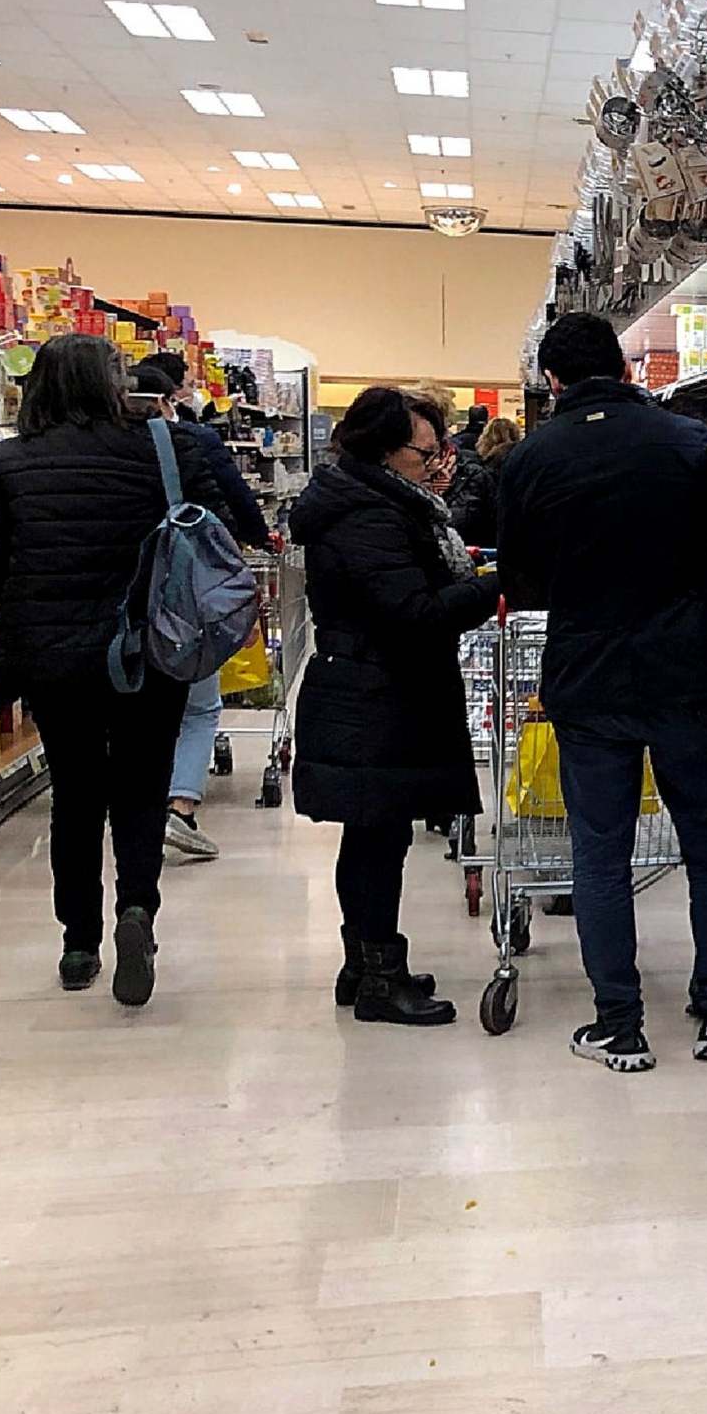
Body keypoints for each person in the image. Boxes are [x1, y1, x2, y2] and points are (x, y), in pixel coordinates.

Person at [499, 313, 707, 1072]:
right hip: (687, 671)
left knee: (601, 854)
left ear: (551, 380)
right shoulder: (686, 441)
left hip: (588, 679)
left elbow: (519, 582)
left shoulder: (530, 459)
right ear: (624, 369)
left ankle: (619, 1024)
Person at [0, 333, 227, 1005]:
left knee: (76, 793)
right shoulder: (161, 450)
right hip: (147, 651)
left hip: (53, 658)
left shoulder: (4, 462)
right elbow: (210, 529)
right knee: (141, 788)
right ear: (113, 386)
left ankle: (79, 941)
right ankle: (138, 910)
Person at [288, 387, 496, 1025]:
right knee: (378, 839)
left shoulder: (372, 500)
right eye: (423, 452)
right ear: (383, 449)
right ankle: (380, 978)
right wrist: (487, 590)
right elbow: (413, 613)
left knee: (375, 835)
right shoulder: (369, 515)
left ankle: (364, 963)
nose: (436, 464)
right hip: (376, 692)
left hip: (371, 687)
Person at [132, 357, 269, 862]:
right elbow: (222, 511)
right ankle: (181, 805)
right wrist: (252, 549)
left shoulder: (92, 450)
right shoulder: (190, 443)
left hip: (119, 606)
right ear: (169, 398)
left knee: (135, 710)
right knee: (199, 705)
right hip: (181, 598)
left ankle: (136, 807)